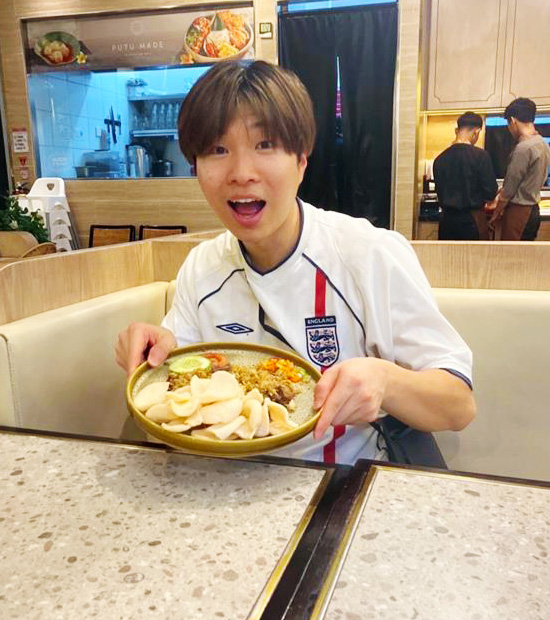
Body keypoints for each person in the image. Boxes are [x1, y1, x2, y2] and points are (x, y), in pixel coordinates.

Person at [116, 60, 475, 465]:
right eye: (218, 150)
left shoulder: (367, 254)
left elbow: (458, 406)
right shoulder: (203, 266)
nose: (242, 173)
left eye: (265, 144)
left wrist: (385, 382)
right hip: (227, 479)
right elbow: (179, 372)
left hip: (343, 479)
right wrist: (154, 347)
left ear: (302, 161)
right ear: (195, 168)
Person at [489, 98, 550, 240]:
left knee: (512, 253)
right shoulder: (542, 143)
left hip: (519, 213)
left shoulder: (523, 148)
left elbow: (509, 189)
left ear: (513, 121)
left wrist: (496, 213)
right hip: (533, 209)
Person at [433, 112, 498, 240]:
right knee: (475, 253)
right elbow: (490, 193)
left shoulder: (440, 159)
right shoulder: (481, 156)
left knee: (448, 253)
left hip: (447, 222)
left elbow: (440, 193)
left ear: (457, 130)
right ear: (476, 132)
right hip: (473, 221)